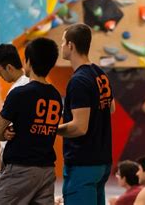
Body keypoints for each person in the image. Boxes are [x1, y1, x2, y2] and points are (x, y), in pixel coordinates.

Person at [0, 38, 62, 204]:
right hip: (47, 169)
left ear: (28, 61)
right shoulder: (56, 96)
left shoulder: (20, 93)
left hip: (21, 168)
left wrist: (3, 133)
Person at [56, 23, 115, 205]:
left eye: (63, 42)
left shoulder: (79, 81)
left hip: (84, 163)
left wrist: (51, 128)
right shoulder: (99, 74)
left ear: (71, 45)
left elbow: (79, 128)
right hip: (102, 161)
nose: (61, 46)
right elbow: (111, 108)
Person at [0, 43, 30, 170]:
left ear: (9, 68)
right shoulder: (26, 84)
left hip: (16, 160)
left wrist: (2, 132)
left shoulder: (18, 89)